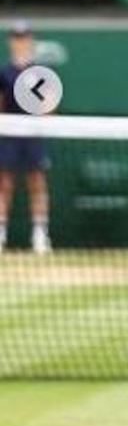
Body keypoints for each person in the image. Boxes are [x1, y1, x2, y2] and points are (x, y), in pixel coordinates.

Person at [0, 22, 52, 255]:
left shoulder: (39, 73)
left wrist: (41, 111)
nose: (20, 41)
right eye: (16, 37)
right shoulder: (4, 73)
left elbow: (49, 106)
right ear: (11, 41)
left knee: (37, 183)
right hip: (9, 134)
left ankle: (40, 236)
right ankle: (1, 234)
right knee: (5, 184)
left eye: (24, 37)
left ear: (30, 40)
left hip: (33, 133)